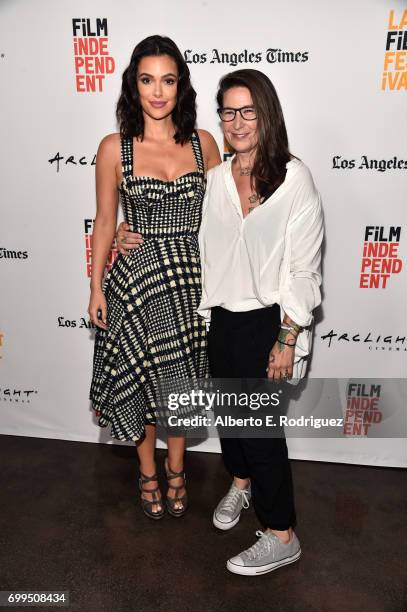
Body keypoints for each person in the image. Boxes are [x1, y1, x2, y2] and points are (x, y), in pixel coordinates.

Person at [117, 68, 323, 575]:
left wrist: (287, 337)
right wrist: (128, 231)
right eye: (228, 112)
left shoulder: (294, 178)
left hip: (270, 323)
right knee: (233, 426)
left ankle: (281, 533)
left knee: (260, 431)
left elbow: (304, 266)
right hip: (221, 320)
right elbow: (180, 229)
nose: (237, 122)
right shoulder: (213, 180)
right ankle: (241, 484)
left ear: (267, 114)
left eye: (248, 111)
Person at [88, 34, 221, 520]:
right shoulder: (113, 149)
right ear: (134, 85)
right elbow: (104, 222)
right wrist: (96, 287)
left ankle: (178, 467)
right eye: (148, 80)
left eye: (168, 80)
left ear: (181, 86)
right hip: (137, 287)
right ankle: (148, 471)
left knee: (179, 382)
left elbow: (223, 220)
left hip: (191, 285)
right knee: (143, 384)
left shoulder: (204, 144)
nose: (158, 91)